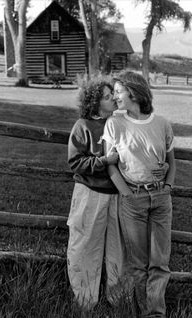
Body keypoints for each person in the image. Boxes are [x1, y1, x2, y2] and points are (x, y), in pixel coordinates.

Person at [102, 70, 176, 318]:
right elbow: (110, 164)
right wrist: (127, 194)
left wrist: (167, 187)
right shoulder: (114, 124)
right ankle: (141, 311)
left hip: (161, 200)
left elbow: (171, 162)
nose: (115, 97)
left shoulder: (162, 123)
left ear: (133, 92)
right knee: (137, 264)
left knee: (159, 263)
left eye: (119, 92)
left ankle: (155, 314)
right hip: (133, 200)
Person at [66, 78, 124, 310]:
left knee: (119, 248)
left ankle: (120, 301)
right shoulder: (83, 125)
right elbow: (75, 162)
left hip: (118, 195)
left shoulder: (121, 123)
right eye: (108, 96)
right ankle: (85, 301)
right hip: (90, 194)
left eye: (113, 94)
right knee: (85, 246)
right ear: (96, 102)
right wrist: (103, 161)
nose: (114, 99)